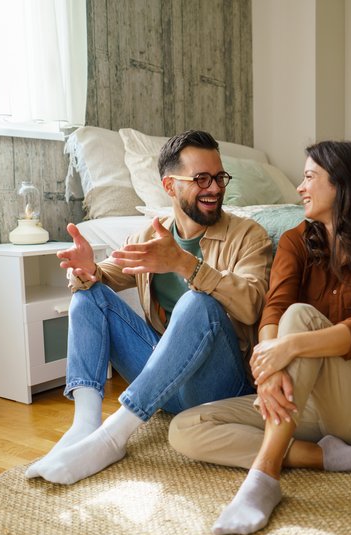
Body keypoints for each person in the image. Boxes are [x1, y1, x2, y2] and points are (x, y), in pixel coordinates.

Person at [168, 140, 351, 535]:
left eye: (309, 177)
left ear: (342, 185)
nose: (300, 188)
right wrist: (270, 375)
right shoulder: (295, 240)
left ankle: (264, 477)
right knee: (186, 427)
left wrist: (287, 348)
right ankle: (327, 457)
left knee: (300, 317)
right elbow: (273, 308)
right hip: (302, 403)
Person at [25, 130, 272, 485]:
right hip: (165, 386)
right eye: (201, 179)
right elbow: (104, 275)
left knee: (197, 303)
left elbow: (250, 306)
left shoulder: (248, 235)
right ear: (170, 186)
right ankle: (85, 426)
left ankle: (113, 437)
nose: (215, 188)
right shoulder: (147, 237)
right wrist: (87, 270)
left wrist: (185, 264)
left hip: (217, 388)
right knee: (88, 296)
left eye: (220, 177)